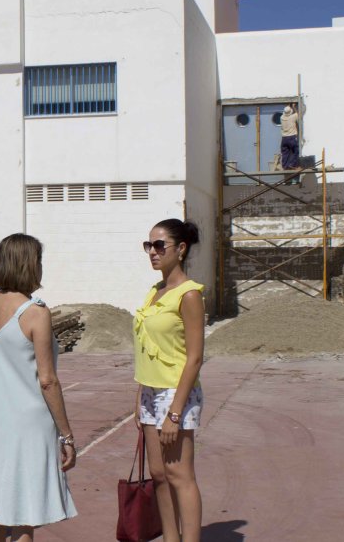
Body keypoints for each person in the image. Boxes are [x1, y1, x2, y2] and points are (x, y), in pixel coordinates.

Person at [0, 233, 77, 542]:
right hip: (28, 423)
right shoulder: (35, 312)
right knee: (25, 515)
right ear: (29, 264)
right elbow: (47, 380)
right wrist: (67, 434)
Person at [133, 219, 205, 542]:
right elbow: (150, 348)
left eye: (159, 245)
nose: (153, 252)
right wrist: (140, 396)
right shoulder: (154, 292)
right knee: (159, 475)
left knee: (180, 476)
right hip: (151, 392)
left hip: (176, 393)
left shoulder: (188, 295)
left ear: (181, 249)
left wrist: (175, 412)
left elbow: (194, 358)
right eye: (149, 245)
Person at [280, 103, 300, 170]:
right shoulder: (292, 117)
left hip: (284, 138)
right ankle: (292, 164)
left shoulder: (281, 118)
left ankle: (284, 166)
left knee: (285, 153)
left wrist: (288, 106)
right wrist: (294, 107)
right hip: (291, 138)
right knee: (296, 151)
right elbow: (297, 114)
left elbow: (286, 113)